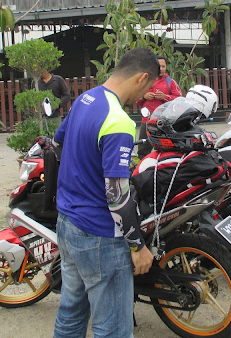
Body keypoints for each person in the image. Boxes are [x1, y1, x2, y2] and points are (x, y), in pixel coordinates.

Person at [52, 48, 158, 338]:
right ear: (142, 78)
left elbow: (57, 143)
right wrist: (138, 247)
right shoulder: (119, 121)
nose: (144, 97)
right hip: (100, 236)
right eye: (147, 88)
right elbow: (117, 197)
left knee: (71, 310)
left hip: (68, 224)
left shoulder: (85, 99)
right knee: (112, 329)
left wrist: (82, 175)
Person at [135, 55, 182, 158]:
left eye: (163, 66)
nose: (161, 69)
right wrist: (144, 97)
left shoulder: (170, 82)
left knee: (166, 150)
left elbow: (179, 100)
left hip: (165, 123)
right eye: (158, 66)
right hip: (146, 122)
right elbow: (134, 99)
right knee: (142, 151)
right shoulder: (144, 81)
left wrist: (165, 97)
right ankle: (142, 167)